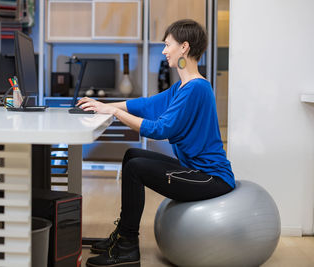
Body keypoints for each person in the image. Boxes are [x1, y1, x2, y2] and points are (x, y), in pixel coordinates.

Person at [78, 19, 235, 267]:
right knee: (132, 155)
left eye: (167, 44)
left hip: (210, 178)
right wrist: (106, 106)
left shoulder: (196, 89)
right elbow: (147, 104)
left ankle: (128, 246)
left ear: (184, 47)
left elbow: (160, 129)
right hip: (196, 171)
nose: (164, 50)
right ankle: (121, 236)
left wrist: (115, 113)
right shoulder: (183, 86)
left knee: (136, 168)